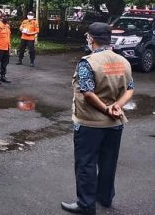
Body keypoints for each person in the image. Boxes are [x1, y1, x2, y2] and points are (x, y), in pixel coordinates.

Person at [61, 23, 134, 215]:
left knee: (86, 163)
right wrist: (117, 106)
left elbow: (87, 93)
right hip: (115, 123)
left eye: (88, 36)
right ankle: (105, 197)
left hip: (90, 124)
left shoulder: (88, 62)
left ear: (91, 38)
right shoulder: (122, 60)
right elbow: (130, 89)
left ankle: (86, 204)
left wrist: (106, 109)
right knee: (109, 161)